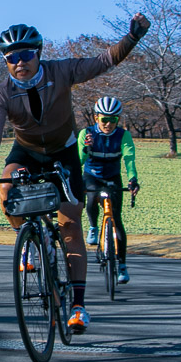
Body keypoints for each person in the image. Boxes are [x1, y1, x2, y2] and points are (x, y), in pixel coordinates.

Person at [0, 17, 150, 334]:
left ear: (38, 53)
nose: (20, 62)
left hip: (63, 152)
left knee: (69, 224)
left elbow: (102, 61)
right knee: (6, 190)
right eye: (11, 57)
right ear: (5, 61)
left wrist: (133, 37)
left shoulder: (61, 72)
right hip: (26, 151)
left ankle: (78, 306)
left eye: (26, 54)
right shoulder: (2, 93)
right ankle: (29, 242)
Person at [78, 96, 140, 283]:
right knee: (92, 196)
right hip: (92, 176)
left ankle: (122, 265)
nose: (108, 124)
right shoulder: (86, 133)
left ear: (118, 120)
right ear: (96, 118)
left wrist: (133, 179)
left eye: (113, 120)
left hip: (112, 176)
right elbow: (78, 161)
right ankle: (93, 227)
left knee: (116, 218)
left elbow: (129, 159)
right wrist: (85, 149)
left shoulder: (123, 135)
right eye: (104, 119)